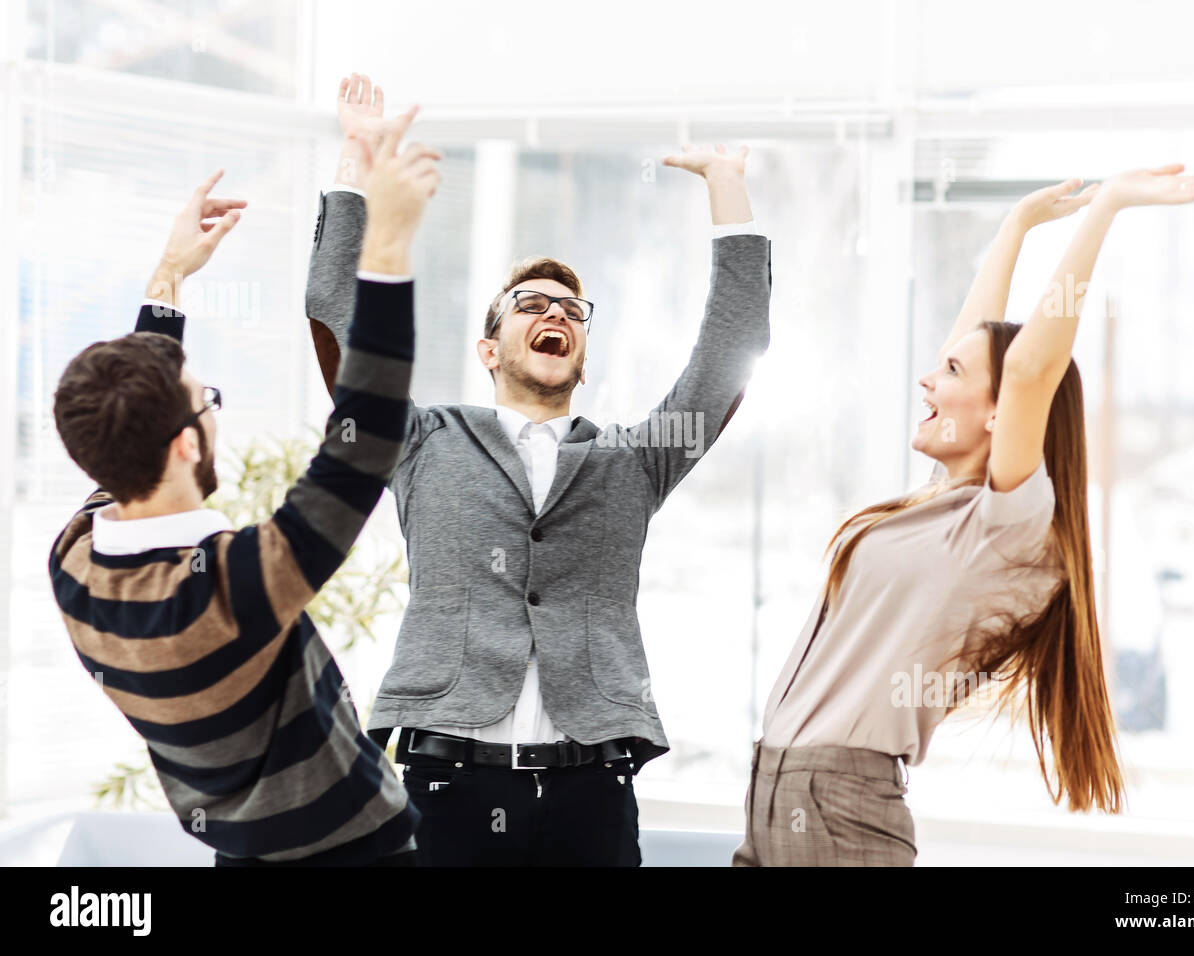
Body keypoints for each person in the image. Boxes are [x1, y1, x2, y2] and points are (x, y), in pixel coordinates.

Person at [304, 73, 772, 866]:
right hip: (444, 788)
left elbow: (727, 360)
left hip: (591, 792)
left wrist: (728, 193)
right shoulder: (420, 439)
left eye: (569, 310)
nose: (553, 313)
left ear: (581, 357)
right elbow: (334, 317)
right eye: (529, 304)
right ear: (489, 351)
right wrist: (356, 167)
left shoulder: (632, 462)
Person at [734, 163, 1194, 867]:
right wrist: (1014, 229)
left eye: (952, 377)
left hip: (838, 804)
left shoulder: (1009, 528)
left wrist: (1108, 208)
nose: (928, 381)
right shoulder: (946, 505)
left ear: (1002, 414)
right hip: (776, 789)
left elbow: (1028, 369)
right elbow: (986, 351)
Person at [48, 108, 442, 865]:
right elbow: (367, 437)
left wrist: (171, 275)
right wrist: (388, 242)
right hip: (351, 854)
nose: (213, 408)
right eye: (207, 398)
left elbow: (134, 409)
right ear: (188, 442)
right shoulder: (235, 589)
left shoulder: (77, 564)